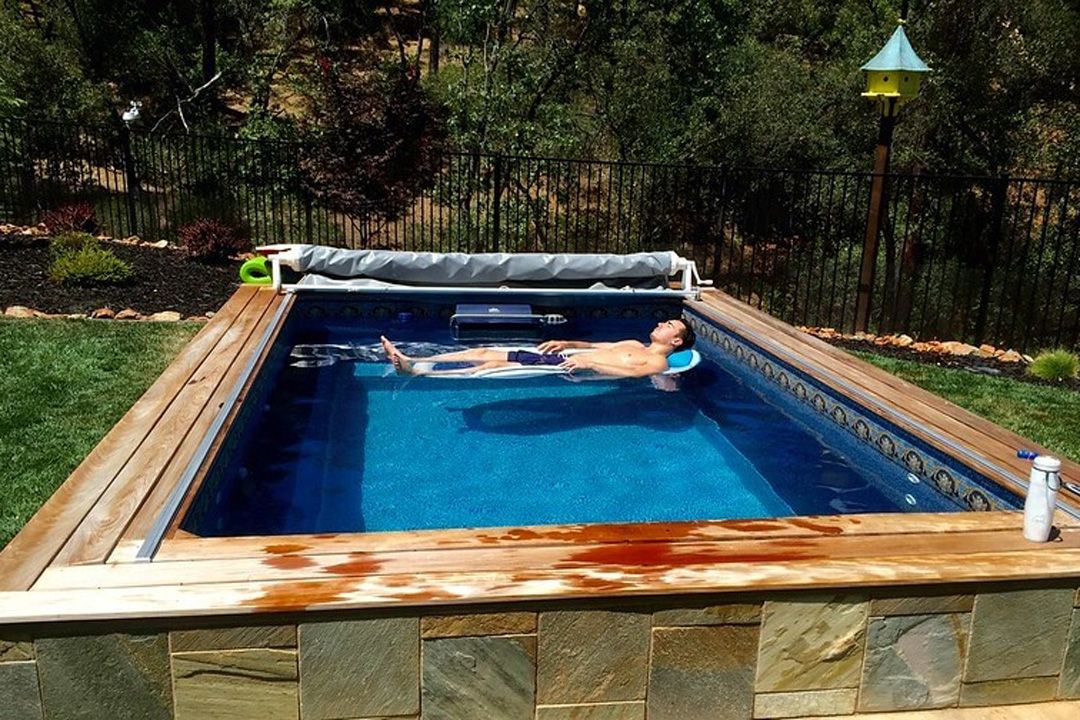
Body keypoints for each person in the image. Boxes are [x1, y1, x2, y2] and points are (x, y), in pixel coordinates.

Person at [380, 318, 695, 378]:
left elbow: (629, 373)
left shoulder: (659, 365)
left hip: (566, 367)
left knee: (492, 365)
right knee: (487, 352)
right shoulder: (631, 342)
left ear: (676, 341)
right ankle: (417, 362)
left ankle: (417, 368)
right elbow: (598, 344)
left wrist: (592, 366)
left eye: (669, 326)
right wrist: (569, 343)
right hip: (566, 355)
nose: (661, 324)